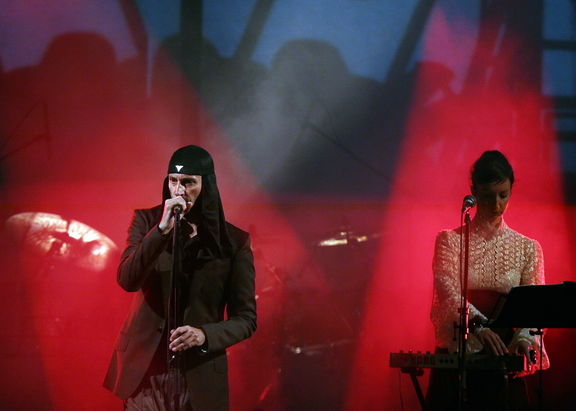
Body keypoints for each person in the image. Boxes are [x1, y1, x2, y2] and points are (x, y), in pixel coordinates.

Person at [103, 145, 257, 411]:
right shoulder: (147, 221)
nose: (179, 191)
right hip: (144, 374)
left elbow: (246, 319)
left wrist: (204, 335)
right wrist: (161, 231)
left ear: (205, 185)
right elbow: (127, 280)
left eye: (188, 183)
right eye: (173, 181)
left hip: (198, 376)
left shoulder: (234, 242)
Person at [426, 150, 549, 410]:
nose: (496, 205)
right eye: (487, 196)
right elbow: (448, 291)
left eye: (503, 195)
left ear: (511, 190)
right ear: (474, 192)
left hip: (503, 354)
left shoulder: (527, 248)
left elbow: (534, 305)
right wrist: (479, 326)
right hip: (461, 347)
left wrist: (525, 341)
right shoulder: (450, 241)